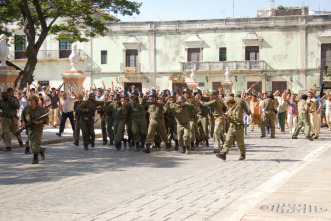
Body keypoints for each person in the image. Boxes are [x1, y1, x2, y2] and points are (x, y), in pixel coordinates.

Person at [21, 95, 49, 164]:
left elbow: (46, 119)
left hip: (38, 128)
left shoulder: (40, 109)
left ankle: (35, 158)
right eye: (29, 100)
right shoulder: (26, 109)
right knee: (31, 144)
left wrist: (40, 122)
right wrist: (23, 122)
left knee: (35, 143)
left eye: (32, 100)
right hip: (29, 128)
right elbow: (22, 116)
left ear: (36, 101)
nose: (30, 102)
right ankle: (41, 150)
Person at [216, 97, 246, 161]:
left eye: (227, 103)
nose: (227, 105)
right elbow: (228, 113)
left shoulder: (238, 108)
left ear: (230, 103)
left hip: (238, 128)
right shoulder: (231, 108)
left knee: (240, 142)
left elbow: (238, 118)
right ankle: (224, 153)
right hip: (232, 127)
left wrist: (229, 117)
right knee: (228, 140)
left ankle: (242, 154)